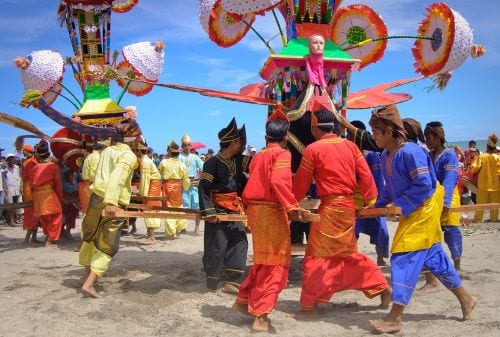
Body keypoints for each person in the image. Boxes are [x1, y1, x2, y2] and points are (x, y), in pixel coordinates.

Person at [367, 105, 476, 334]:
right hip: (413, 209)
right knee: (435, 258)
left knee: (403, 256)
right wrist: (375, 206)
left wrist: (401, 205)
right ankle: (466, 298)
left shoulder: (410, 152)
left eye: (376, 131)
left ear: (389, 131)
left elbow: (425, 186)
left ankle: (395, 316)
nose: (373, 135)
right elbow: (388, 190)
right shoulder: (387, 154)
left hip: (425, 208)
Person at [292, 108, 391, 319]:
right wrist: (371, 201)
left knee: (316, 256)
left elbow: (301, 183)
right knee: (346, 255)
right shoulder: (351, 147)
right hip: (348, 210)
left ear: (315, 128)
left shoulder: (313, 149)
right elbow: (366, 177)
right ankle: (382, 287)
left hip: (329, 210)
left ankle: (310, 306)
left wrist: (290, 202)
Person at [232, 110, 305, 333]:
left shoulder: (259, 155)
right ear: (285, 138)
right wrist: (292, 207)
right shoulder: (282, 155)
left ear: (266, 137)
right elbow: (278, 182)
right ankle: (261, 317)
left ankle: (244, 300)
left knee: (264, 260)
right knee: (277, 263)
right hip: (271, 212)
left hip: (256, 211)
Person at [78, 115, 142, 298]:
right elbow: (117, 178)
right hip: (111, 201)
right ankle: (89, 284)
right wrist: (112, 202)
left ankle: (85, 276)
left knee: (90, 236)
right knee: (107, 243)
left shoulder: (106, 151)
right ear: (132, 138)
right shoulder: (128, 155)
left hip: (96, 197)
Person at [199, 117, 248, 294]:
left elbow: (258, 165)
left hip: (235, 208)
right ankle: (212, 280)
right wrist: (209, 211)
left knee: (240, 242)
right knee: (217, 245)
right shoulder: (212, 163)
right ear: (232, 142)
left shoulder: (239, 161)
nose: (241, 144)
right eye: (239, 141)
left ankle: (232, 282)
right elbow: (203, 188)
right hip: (217, 209)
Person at [420, 121, 464, 292]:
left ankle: (457, 264)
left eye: (429, 137)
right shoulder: (429, 156)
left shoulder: (449, 155)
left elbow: (450, 178)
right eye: (425, 138)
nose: (427, 141)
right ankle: (434, 269)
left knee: (452, 231)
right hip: (434, 197)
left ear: (438, 138)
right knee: (431, 233)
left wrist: (445, 201)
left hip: (449, 196)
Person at [350, 121, 389, 266]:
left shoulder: (371, 155)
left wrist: (377, 199)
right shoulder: (348, 152)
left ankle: (381, 255)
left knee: (381, 230)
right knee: (352, 230)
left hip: (370, 197)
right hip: (353, 198)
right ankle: (351, 257)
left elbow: (377, 176)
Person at [31, 141, 63, 247]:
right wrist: (60, 196)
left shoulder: (34, 168)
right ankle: (50, 238)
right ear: (49, 154)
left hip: (38, 195)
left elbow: (32, 184)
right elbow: (58, 183)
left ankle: (48, 236)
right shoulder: (53, 167)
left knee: (44, 217)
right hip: (49, 194)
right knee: (56, 216)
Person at [158, 141, 190, 238]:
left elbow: (158, 174)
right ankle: (179, 227)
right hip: (177, 188)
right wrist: (185, 187)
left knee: (169, 208)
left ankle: (172, 231)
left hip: (167, 187)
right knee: (178, 207)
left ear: (170, 152)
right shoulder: (182, 164)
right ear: (178, 153)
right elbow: (185, 179)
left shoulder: (163, 162)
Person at [470, 134, 499, 222]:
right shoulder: (498, 157)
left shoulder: (482, 157)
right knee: (494, 205)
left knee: (480, 204)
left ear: (487, 146)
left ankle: (478, 219)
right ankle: (494, 219)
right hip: (496, 185)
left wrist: (471, 168)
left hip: (483, 184)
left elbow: (475, 168)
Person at [179, 133, 204, 233]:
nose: (187, 147)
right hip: (183, 185)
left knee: (196, 206)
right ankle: (183, 227)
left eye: (189, 145)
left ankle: (197, 227)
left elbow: (203, 168)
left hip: (194, 184)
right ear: (182, 146)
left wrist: (200, 179)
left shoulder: (195, 157)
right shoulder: (179, 157)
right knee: (183, 206)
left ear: (191, 146)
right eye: (185, 145)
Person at [139, 146, 162, 245]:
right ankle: (150, 234)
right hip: (153, 185)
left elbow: (145, 179)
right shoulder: (146, 160)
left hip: (152, 186)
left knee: (149, 208)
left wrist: (143, 194)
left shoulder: (145, 161)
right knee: (149, 208)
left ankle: (152, 237)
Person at [21, 144, 39, 243]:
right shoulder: (30, 161)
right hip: (29, 188)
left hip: (29, 188)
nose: (23, 152)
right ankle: (31, 238)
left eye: (24, 150)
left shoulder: (31, 161)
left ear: (27, 151)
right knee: (32, 212)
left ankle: (30, 238)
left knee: (31, 212)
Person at [3, 153, 21, 226]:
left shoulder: (16, 167)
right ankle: (11, 221)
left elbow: (19, 177)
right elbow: (3, 179)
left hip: (16, 187)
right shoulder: (4, 169)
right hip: (8, 188)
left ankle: (14, 219)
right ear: (7, 160)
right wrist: (4, 187)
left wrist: (21, 186)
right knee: (10, 205)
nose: (11, 160)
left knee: (16, 205)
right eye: (10, 158)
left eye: (12, 158)